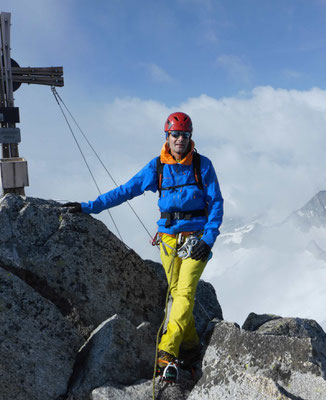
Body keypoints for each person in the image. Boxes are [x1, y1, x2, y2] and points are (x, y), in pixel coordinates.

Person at [62, 111, 224, 376]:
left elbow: (216, 203)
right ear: (167, 136)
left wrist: (208, 239)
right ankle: (193, 350)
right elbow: (126, 190)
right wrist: (89, 207)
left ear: (190, 137)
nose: (180, 139)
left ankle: (167, 351)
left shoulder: (202, 165)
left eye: (184, 135)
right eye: (175, 134)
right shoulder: (157, 167)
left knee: (183, 294)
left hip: (196, 240)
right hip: (169, 241)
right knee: (178, 295)